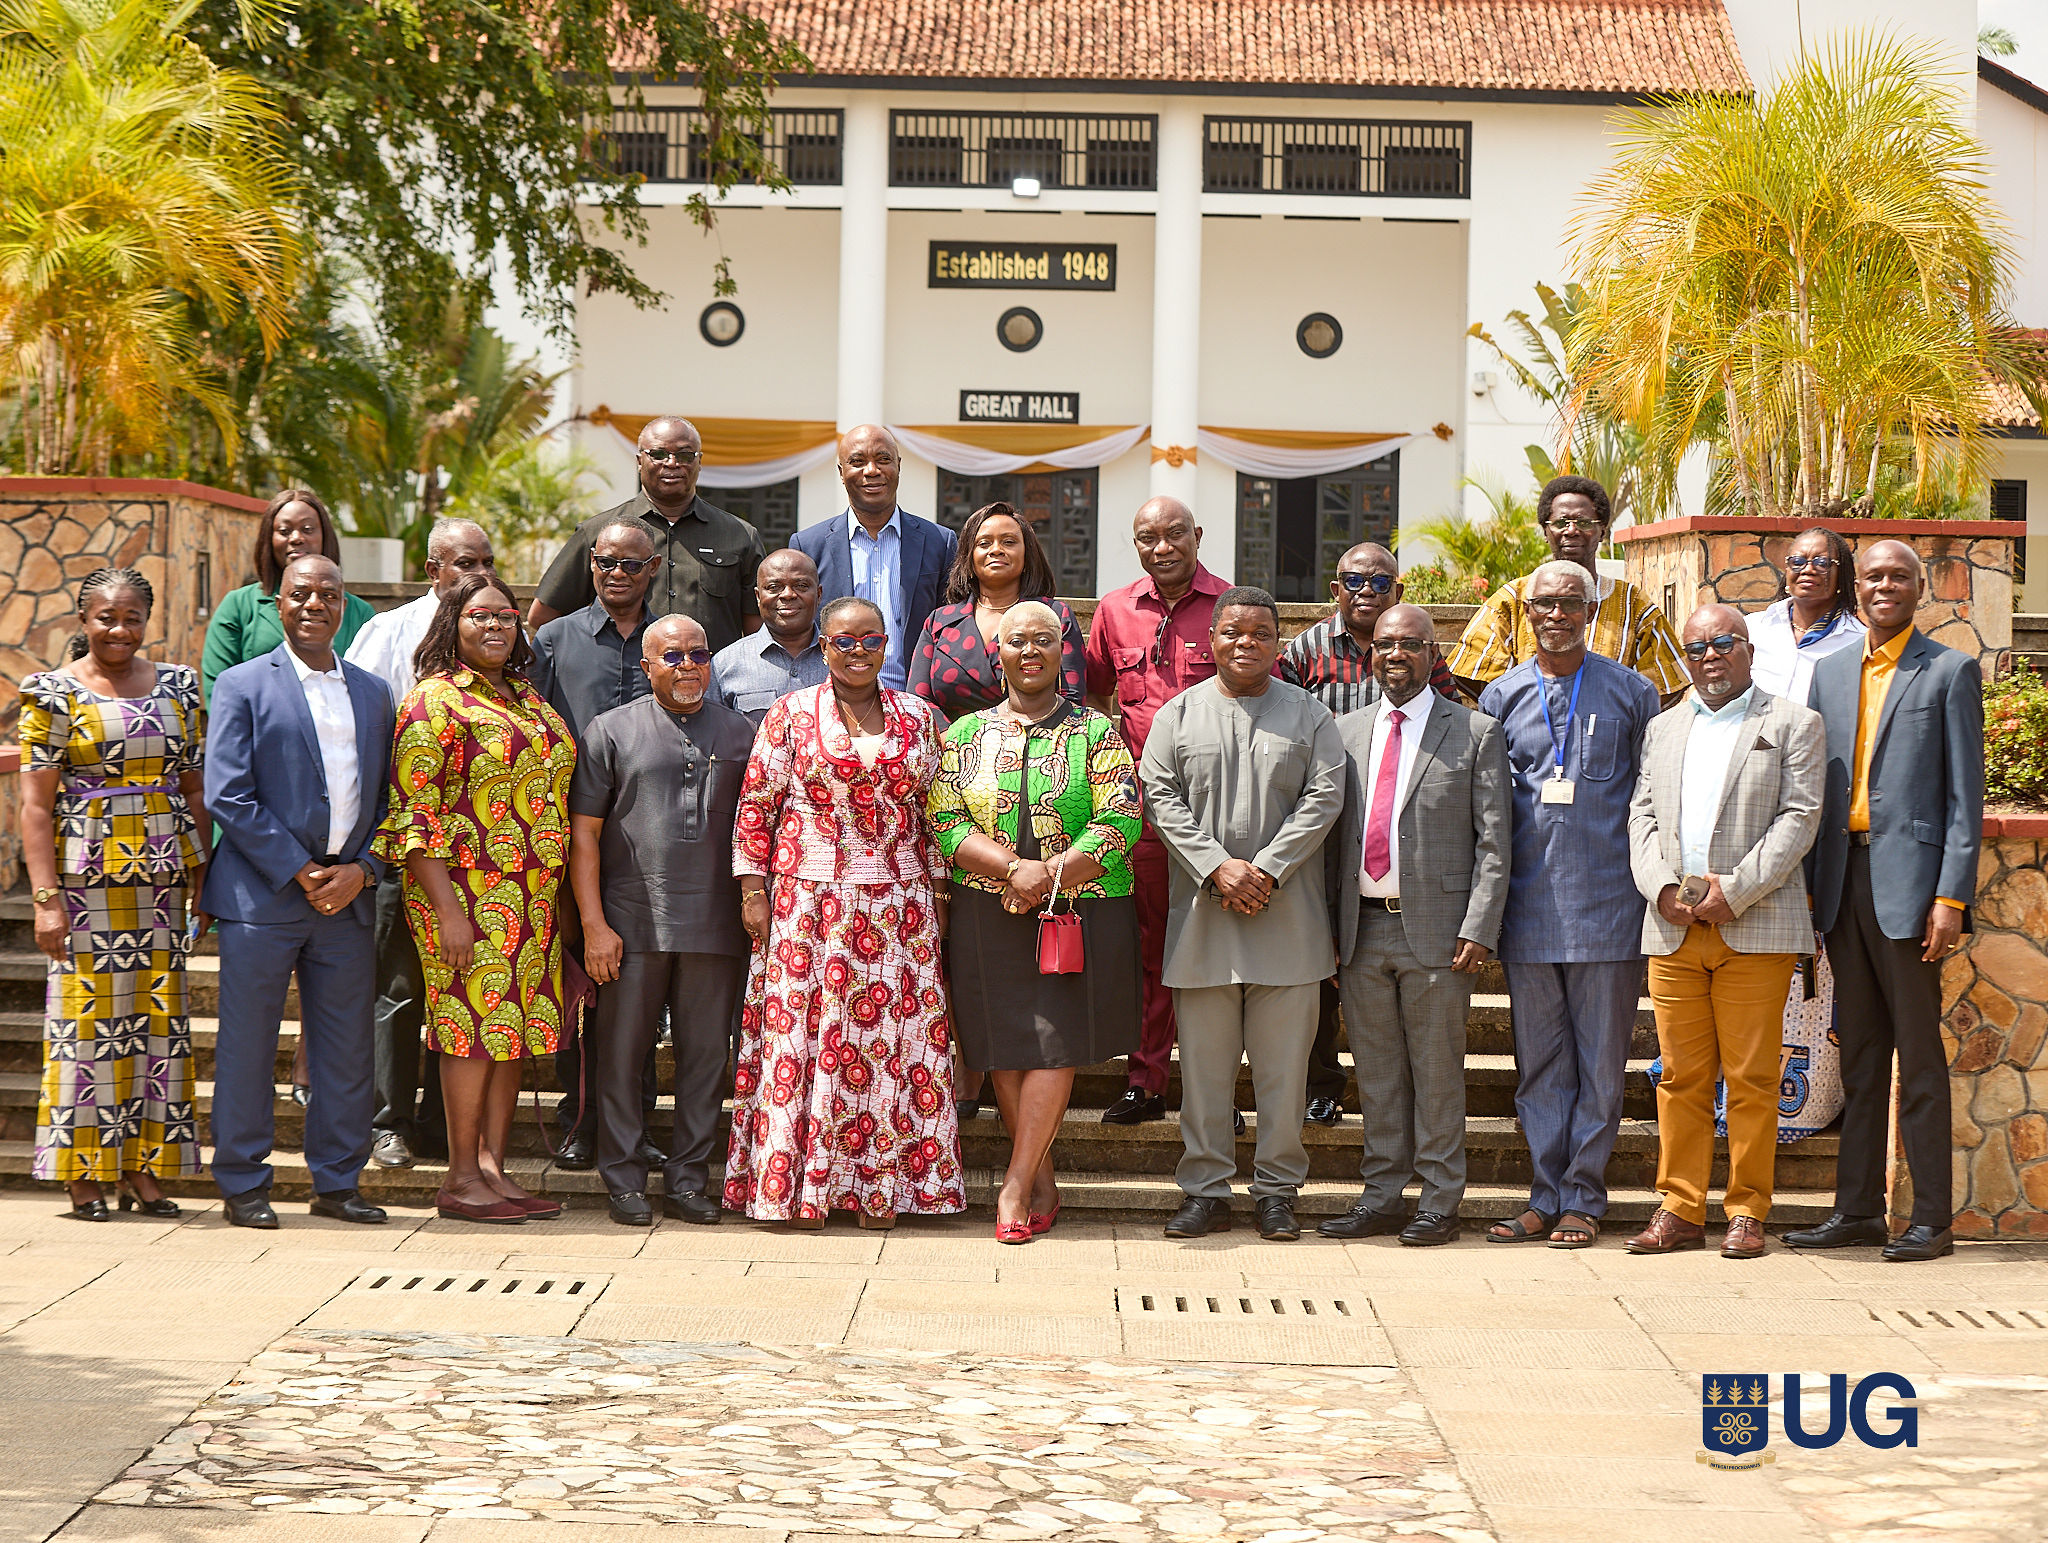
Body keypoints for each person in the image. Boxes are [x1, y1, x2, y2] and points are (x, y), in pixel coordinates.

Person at [725, 596, 963, 1228]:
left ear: (887, 646)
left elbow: (937, 816)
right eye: (843, 642)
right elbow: (756, 809)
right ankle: (802, 1186)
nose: (857, 652)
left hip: (898, 904)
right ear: (823, 646)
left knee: (892, 1043)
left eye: (870, 641)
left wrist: (939, 895)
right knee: (808, 1038)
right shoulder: (790, 714)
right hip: (809, 902)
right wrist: (753, 893)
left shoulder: (921, 717)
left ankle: (883, 1188)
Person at [1787, 540, 1983, 1264]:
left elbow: (1967, 797)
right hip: (1842, 885)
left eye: (1898, 576)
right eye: (1872, 576)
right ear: (1855, 587)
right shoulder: (1831, 673)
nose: (1884, 586)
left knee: (1920, 1060)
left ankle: (1932, 1218)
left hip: (1912, 891)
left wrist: (1951, 896)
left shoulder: (1950, 671)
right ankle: (1857, 1211)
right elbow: (1812, 791)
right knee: (1861, 1058)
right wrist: (1809, 891)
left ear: (1919, 586)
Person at [926, 601, 1144, 1242]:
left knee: (1054, 1041)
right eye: (1016, 641)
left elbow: (1120, 818)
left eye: (1043, 641)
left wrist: (1046, 877)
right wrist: (1014, 871)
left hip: (1079, 909)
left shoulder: (1097, 732)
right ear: (998, 653)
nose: (1029, 652)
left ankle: (1016, 1185)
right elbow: (944, 820)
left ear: (1062, 652)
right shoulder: (964, 735)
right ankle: (1045, 1178)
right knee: (1003, 1044)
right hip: (986, 909)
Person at [1140, 587, 1345, 1242]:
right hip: (1204, 921)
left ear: (1277, 642)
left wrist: (1268, 867)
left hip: (1288, 923)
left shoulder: (1310, 715)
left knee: (1284, 1076)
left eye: (1260, 631)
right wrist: (1216, 865)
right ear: (1212, 640)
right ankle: (1204, 1189)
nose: (1245, 642)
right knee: (1203, 1075)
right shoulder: (1177, 715)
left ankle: (1277, 1192)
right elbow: (1159, 797)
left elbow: (1324, 795)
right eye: (1233, 631)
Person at [1625, 604, 1824, 1260]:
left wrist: (1732, 890)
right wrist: (1658, 885)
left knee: (1752, 1077)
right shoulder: (1662, 727)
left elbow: (1799, 818)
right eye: (1697, 645)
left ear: (1747, 648)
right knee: (1679, 1075)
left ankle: (1746, 1211)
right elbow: (1643, 816)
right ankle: (1680, 1207)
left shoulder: (1794, 722)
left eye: (1723, 642)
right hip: (1674, 926)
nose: (1709, 654)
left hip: (1754, 922)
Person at [378, 574, 577, 1225]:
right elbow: (415, 818)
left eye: (505, 616)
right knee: (471, 1031)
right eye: (479, 616)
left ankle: (493, 1165)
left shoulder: (526, 697)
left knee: (510, 1033)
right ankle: (460, 1174)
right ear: (452, 624)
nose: (494, 626)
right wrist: (448, 912)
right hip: (464, 896)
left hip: (532, 899)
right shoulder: (433, 702)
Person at [203, 556, 394, 1229]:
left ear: (345, 606)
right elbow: (226, 790)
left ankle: (338, 1182)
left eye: (329, 595)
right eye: (301, 594)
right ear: (278, 604)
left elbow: (387, 800)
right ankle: (244, 1181)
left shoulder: (374, 692)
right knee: (248, 1045)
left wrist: (361, 868)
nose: (315, 604)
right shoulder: (242, 684)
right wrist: (297, 867)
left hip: (346, 898)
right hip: (262, 896)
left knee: (346, 1047)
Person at [1315, 605, 1510, 1247]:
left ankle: (1438, 1199)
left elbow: (1495, 843)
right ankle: (1382, 1194)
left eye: (1410, 645)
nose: (1395, 654)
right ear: (1370, 654)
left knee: (1436, 1070)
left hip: (1439, 930)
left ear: (1433, 654)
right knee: (1375, 1070)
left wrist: (1479, 925)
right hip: (1361, 926)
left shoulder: (1476, 731)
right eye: (1384, 645)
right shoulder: (1342, 731)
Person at [1478, 559, 1659, 1249]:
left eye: (1570, 601)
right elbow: (1489, 813)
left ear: (1591, 609)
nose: (1557, 612)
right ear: (1528, 613)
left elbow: (1650, 801)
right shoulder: (1500, 697)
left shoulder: (1632, 692)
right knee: (1539, 1065)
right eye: (1544, 602)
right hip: (1526, 912)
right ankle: (1543, 1195)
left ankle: (1583, 1197)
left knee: (1599, 1064)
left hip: (1609, 909)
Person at [21, 569, 209, 1221]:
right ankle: (84, 1175)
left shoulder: (180, 687)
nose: (119, 630)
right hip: (86, 884)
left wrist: (202, 871)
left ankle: (142, 1169)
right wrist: (46, 897)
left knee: (156, 1029)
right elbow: (35, 806)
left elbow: (191, 786)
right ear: (83, 618)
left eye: (131, 617)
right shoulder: (51, 693)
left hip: (160, 883)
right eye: (106, 617)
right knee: (87, 1030)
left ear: (147, 619)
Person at [569, 615, 755, 1227]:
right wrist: (594, 925)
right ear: (646, 666)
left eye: (699, 653)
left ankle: (688, 1179)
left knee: (706, 1059)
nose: (688, 666)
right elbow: (585, 837)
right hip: (631, 923)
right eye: (672, 656)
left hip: (716, 925)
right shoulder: (609, 731)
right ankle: (622, 1178)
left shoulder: (743, 733)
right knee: (621, 1057)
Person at [1278, 540, 1463, 1128]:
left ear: (1398, 591)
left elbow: (1450, 723)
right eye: (1352, 581)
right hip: (1322, 823)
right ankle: (1323, 1081)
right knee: (1321, 969)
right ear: (1334, 590)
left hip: (1402, 830)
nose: (1365, 591)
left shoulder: (1419, 647)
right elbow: (1278, 709)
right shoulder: (1306, 649)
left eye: (1378, 582)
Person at [344, 517, 498, 1171]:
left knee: (463, 994)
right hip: (404, 846)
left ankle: (444, 1127)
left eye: (486, 560)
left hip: (483, 859)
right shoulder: (388, 633)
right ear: (433, 569)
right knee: (401, 988)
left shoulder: (501, 637)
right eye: (463, 562)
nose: (476, 573)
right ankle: (390, 1122)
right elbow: (358, 736)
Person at [1083, 496, 1230, 1125]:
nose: (1162, 546)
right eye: (1148, 537)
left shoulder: (1231, 605)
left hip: (1222, 810)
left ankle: (1212, 1091)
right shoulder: (1115, 610)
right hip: (1143, 812)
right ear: (1136, 543)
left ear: (1198, 534)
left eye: (1175, 534)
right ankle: (1147, 1080)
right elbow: (1092, 692)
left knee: (1220, 953)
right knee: (1152, 950)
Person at [531, 520, 666, 1170]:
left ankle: (638, 1124)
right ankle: (579, 1119)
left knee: (641, 996)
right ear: (590, 566)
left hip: (650, 849)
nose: (618, 573)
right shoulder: (553, 640)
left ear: (654, 569)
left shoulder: (674, 642)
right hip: (569, 848)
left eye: (631, 564)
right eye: (607, 562)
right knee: (582, 989)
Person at [1745, 525, 1863, 1144]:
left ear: (1841, 570)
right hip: (1746, 801)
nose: (1808, 569)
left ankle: (1806, 1088)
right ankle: (1735, 1085)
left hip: (1819, 804)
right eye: (1798, 559)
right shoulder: (1755, 631)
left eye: (1822, 560)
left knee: (1810, 948)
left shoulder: (1859, 641)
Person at [526, 416, 765, 651]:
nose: (672, 463)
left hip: (707, 681)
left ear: (699, 461)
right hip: (621, 681)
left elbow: (758, 630)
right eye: (659, 454)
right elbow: (544, 617)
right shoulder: (600, 532)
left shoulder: (739, 535)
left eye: (684, 455)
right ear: (640, 461)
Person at [1448, 475, 1687, 704]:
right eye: (1561, 523)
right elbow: (1473, 670)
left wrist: (1619, 717)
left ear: (1602, 531)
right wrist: (1520, 713)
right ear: (1545, 531)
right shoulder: (1514, 598)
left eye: (1584, 523)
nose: (1571, 530)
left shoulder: (1632, 603)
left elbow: (1667, 679)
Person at [790, 425, 958, 691]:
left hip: (915, 700)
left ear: (899, 466)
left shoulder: (939, 542)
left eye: (883, 460)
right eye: (857, 462)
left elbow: (950, 629)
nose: (872, 470)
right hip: (833, 698)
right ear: (841, 472)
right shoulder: (808, 545)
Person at [909, 501, 1087, 723]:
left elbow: (1072, 696)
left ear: (1026, 556)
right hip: (954, 748)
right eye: (984, 543)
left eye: (1009, 542)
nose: (996, 549)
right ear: (969, 557)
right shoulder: (940, 622)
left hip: (1038, 747)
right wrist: (954, 740)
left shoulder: (1053, 615)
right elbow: (919, 700)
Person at [202, 489, 376, 703]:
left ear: (324, 536)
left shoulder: (360, 613)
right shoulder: (238, 606)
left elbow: (369, 691)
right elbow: (219, 689)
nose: (296, 538)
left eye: (307, 529)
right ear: (269, 538)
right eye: (284, 531)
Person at [713, 548, 829, 726]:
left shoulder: (843, 659)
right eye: (774, 587)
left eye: (801, 586)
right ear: (758, 597)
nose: (788, 594)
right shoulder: (725, 664)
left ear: (819, 594)